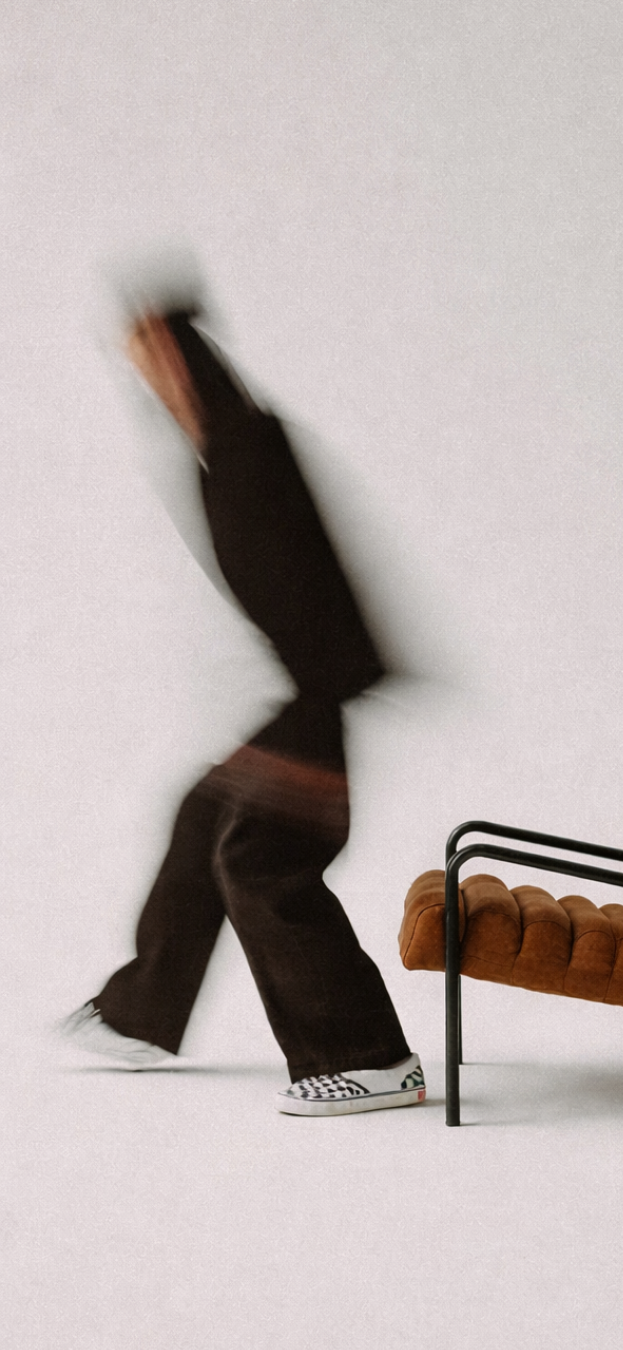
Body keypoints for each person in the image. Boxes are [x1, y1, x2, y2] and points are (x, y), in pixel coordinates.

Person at [60, 306, 424, 1118]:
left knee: (262, 865)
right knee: (204, 820)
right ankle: (140, 1016)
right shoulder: (222, 450)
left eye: (151, 359)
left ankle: (369, 1058)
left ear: (183, 359)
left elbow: (313, 587)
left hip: (309, 697)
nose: (142, 380)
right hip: (291, 698)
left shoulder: (249, 451)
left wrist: (311, 707)